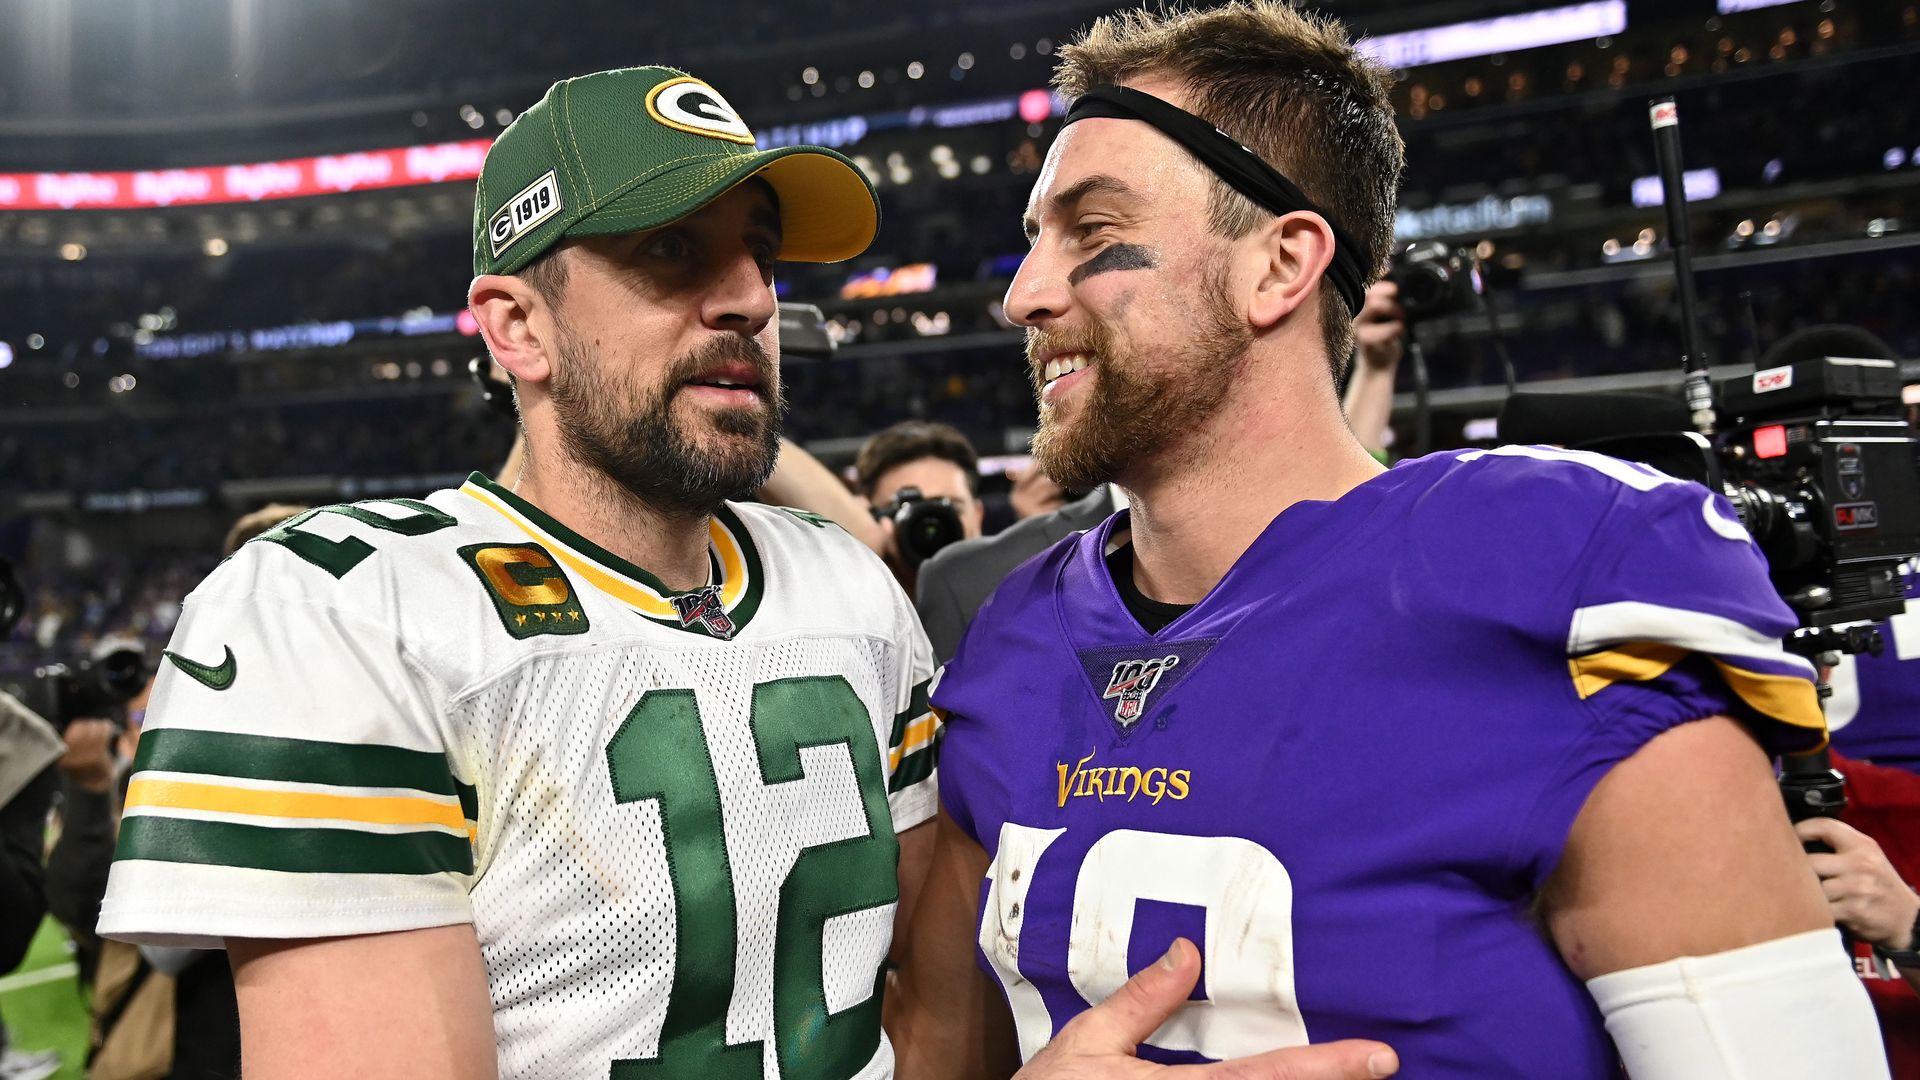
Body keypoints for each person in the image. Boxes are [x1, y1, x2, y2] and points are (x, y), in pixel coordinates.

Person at [95, 65, 1391, 1080]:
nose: (745, 299)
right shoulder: (337, 609)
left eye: (760, 253)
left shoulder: (845, 592)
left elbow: (930, 1020)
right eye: (669, 252)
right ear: (514, 325)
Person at [891, 4, 1885, 1078]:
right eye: (1035, 238)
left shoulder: (1549, 579)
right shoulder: (1009, 643)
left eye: (1091, 233)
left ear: (1280, 265)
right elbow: (945, 1053)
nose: (1023, 293)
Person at [915, 279, 1406, 663]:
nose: (1019, 300)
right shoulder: (974, 583)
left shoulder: (1409, 546)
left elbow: (1345, 495)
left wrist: (1378, 371)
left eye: (1094, 231)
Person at [854, 421, 986, 593]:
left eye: (951, 508)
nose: (929, 527)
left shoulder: (1013, 602)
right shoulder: (845, 610)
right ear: (870, 520)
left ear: (978, 516)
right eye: (905, 510)